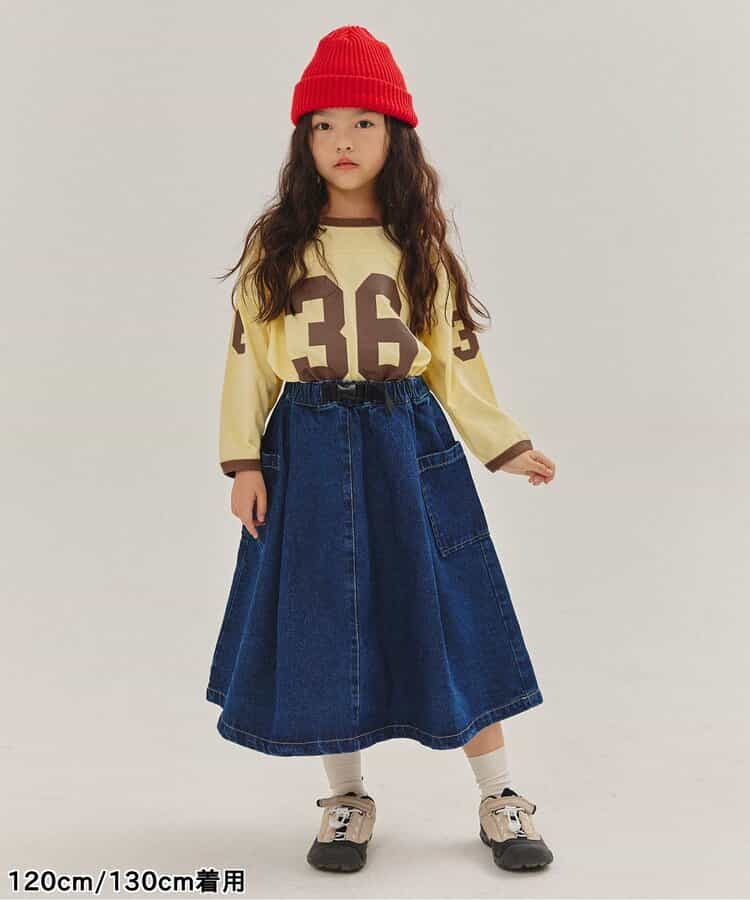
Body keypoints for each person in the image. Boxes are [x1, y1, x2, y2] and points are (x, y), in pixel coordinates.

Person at [205, 24, 557, 875]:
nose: (344, 140)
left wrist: (501, 442)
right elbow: (248, 358)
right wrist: (244, 461)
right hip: (306, 445)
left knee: (448, 605)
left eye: (363, 122)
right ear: (304, 140)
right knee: (323, 615)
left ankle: (500, 794)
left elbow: (453, 358)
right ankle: (346, 799)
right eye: (324, 124)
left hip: (409, 440)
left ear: (395, 135)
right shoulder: (277, 245)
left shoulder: (418, 244)